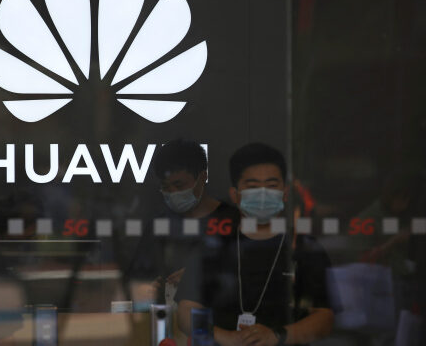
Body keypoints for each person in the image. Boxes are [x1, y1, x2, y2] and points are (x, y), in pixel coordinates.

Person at [176, 143, 334, 346]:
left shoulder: (304, 248)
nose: (262, 194)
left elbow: (324, 318)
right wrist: (227, 338)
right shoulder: (213, 246)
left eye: (271, 185)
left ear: (285, 193)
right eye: (252, 186)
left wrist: (277, 337)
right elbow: (186, 311)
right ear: (235, 195)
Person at [127, 139, 240, 305]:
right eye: (166, 187)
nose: (173, 193)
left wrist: (197, 274)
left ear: (202, 178)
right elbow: (139, 276)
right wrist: (153, 287)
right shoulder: (160, 223)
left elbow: (242, 274)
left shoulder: (232, 220)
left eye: (179, 185)